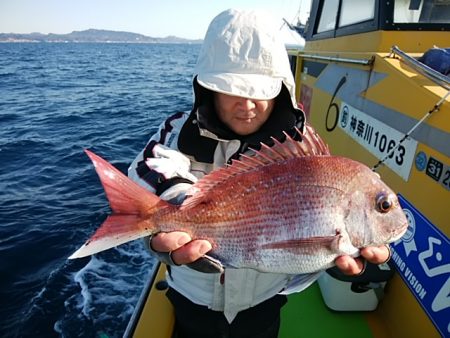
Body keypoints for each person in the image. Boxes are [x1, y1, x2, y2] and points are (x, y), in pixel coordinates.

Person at [128, 9, 391, 338]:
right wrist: (182, 208)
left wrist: (356, 245)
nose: (247, 104)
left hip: (264, 300)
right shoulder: (181, 130)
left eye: (260, 90)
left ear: (281, 87)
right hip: (193, 294)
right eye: (231, 89)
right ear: (207, 88)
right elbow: (150, 164)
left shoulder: (302, 145)